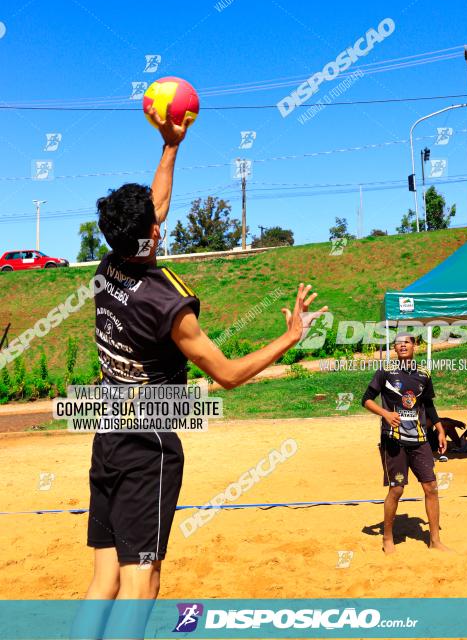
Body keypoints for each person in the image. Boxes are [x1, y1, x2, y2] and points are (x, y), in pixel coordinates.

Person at [84, 105, 328, 608]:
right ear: (150, 233)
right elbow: (229, 375)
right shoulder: (166, 303)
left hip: (106, 433)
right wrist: (290, 337)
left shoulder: (108, 266)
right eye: (154, 221)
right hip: (145, 443)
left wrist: (171, 145)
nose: (160, 219)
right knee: (141, 584)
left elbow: (156, 205)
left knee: (102, 582)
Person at [361, 333, 448, 554]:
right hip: (393, 439)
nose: (402, 345)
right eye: (398, 342)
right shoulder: (385, 372)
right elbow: (366, 399)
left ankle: (435, 540)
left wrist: (439, 429)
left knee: (431, 487)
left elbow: (428, 405)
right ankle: (388, 538)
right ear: (394, 348)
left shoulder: (423, 374)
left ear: (414, 346)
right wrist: (385, 414)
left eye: (406, 342)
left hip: (419, 440)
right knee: (397, 489)